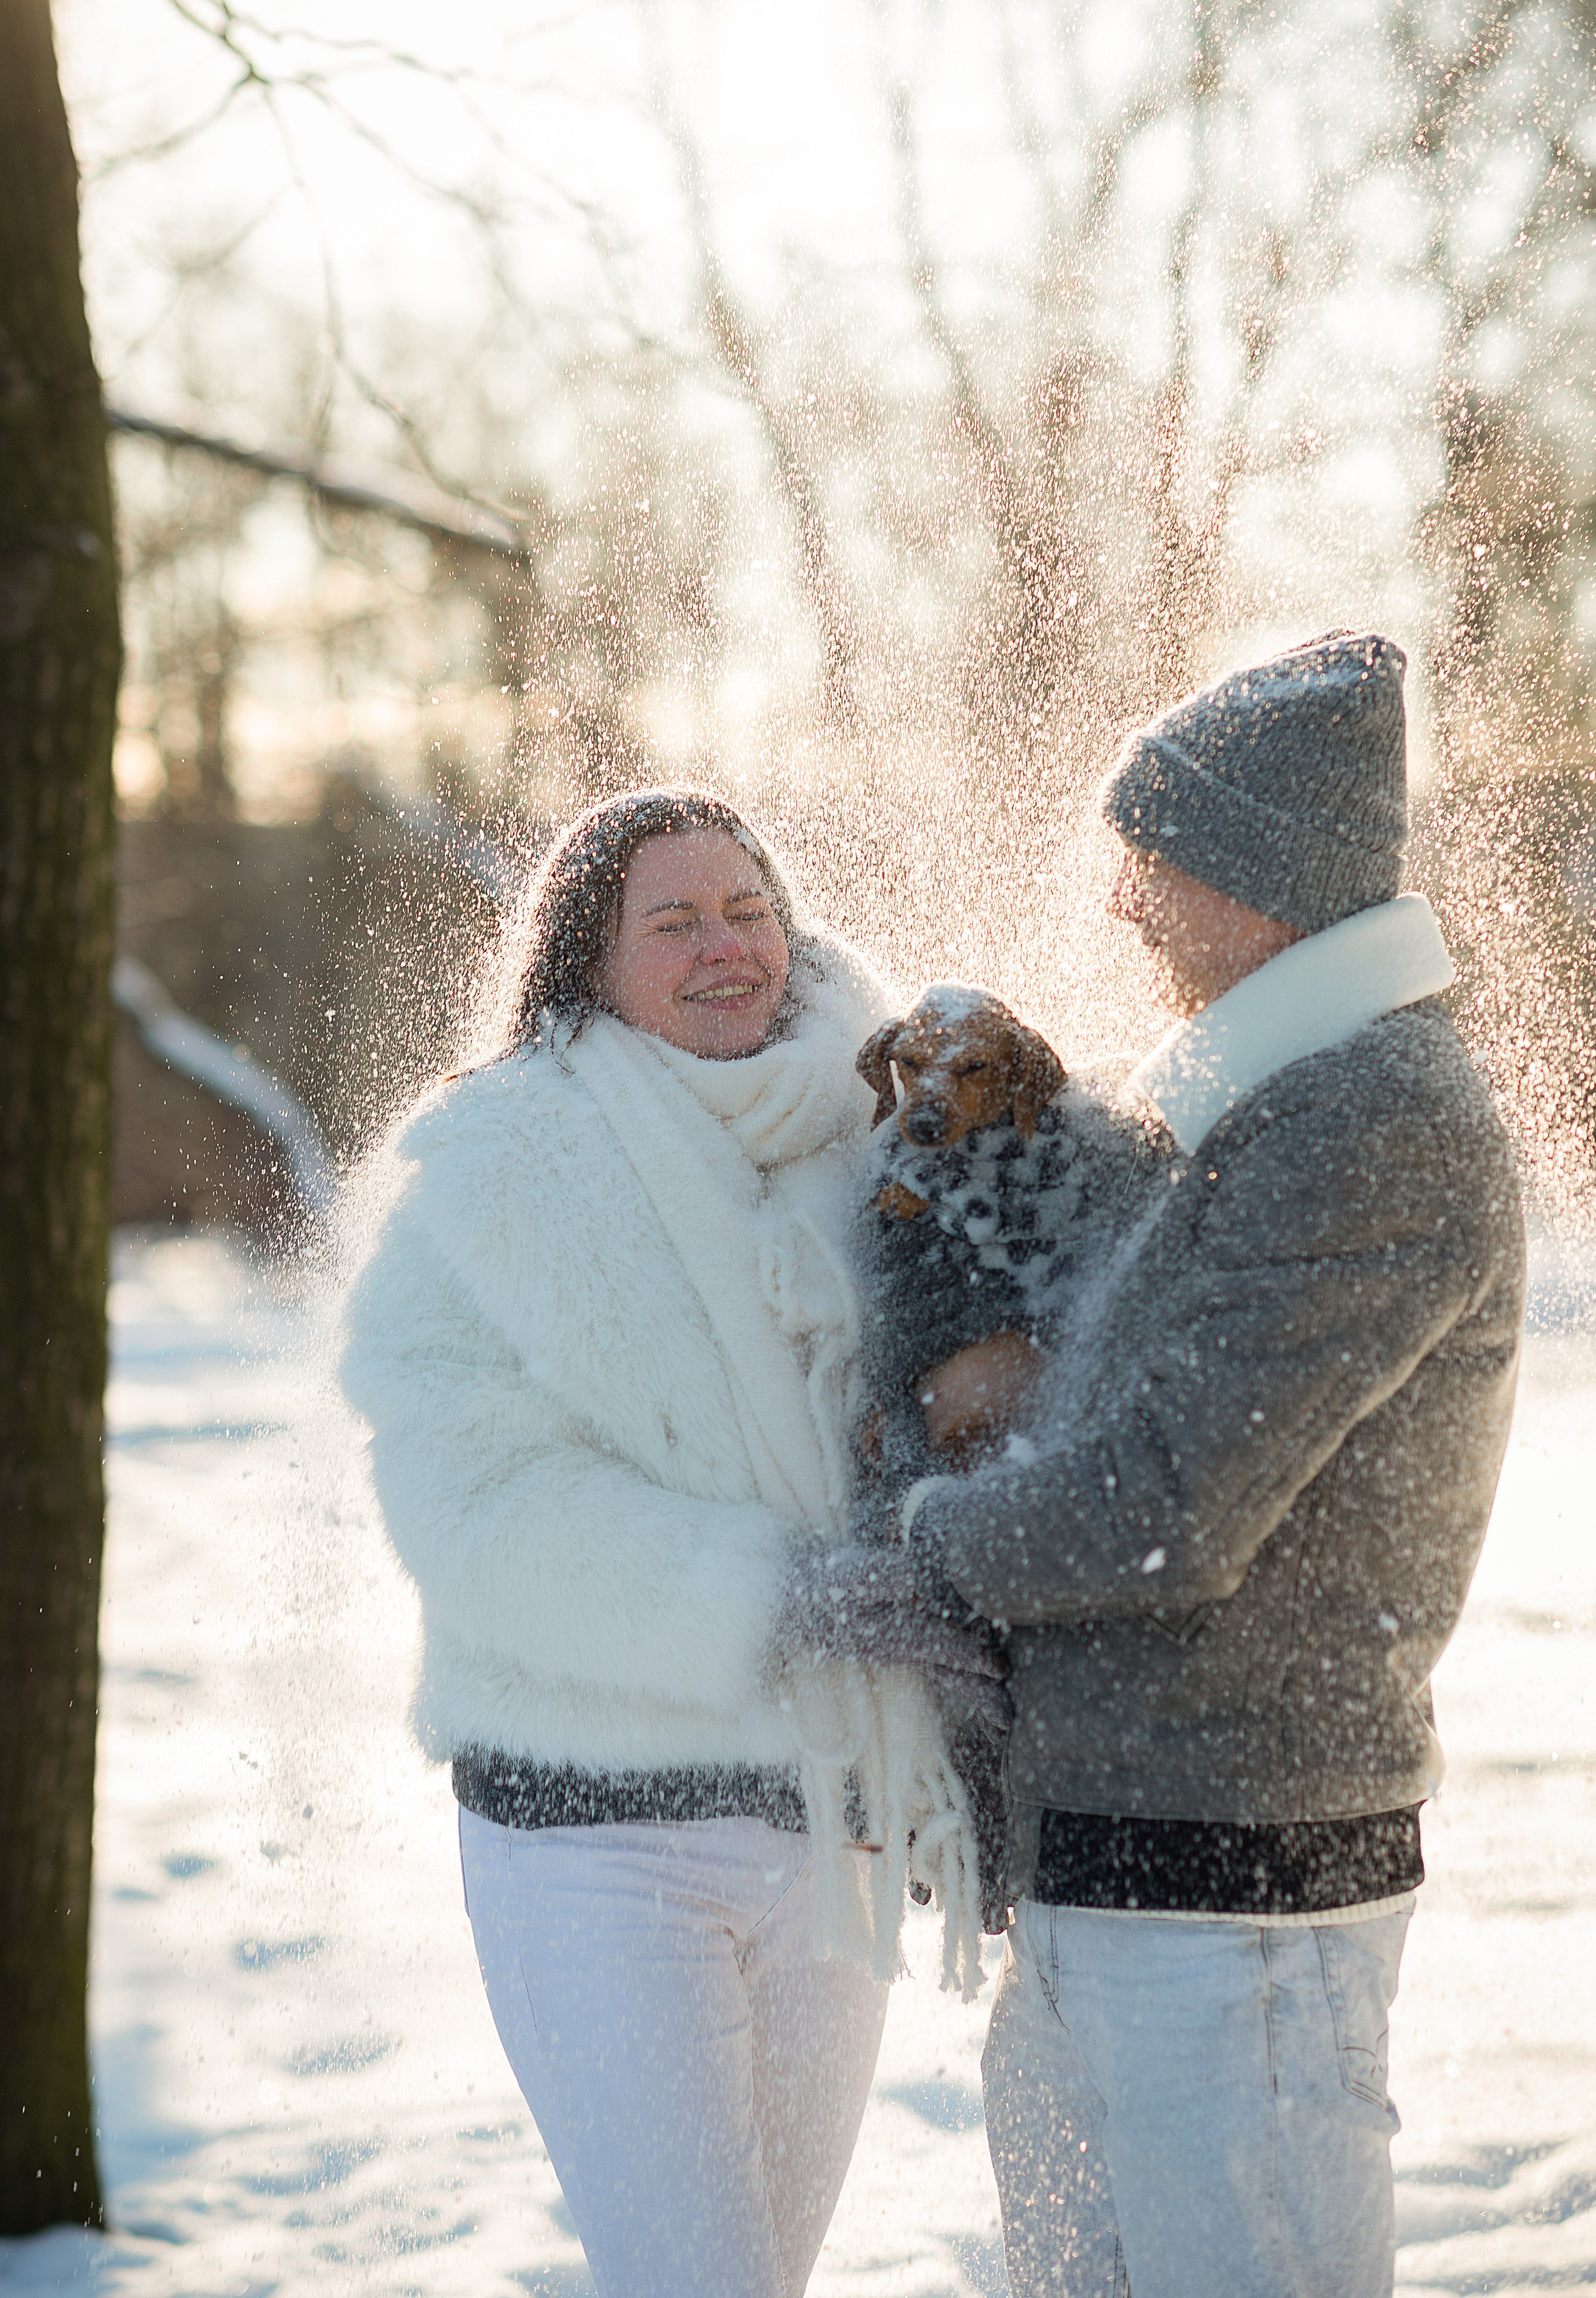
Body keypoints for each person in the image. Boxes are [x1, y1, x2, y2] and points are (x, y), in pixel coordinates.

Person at [900, 633, 1528, 2298]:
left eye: (1154, 857)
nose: (1120, 899)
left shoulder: (1370, 1113)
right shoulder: (1255, 1105)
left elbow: (1167, 1508)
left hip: (1238, 1898)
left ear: (1264, 881)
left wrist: (911, 1551)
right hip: (1118, 1861)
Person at [337, 790, 1001, 2298]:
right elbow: (471, 1501)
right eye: (675, 921)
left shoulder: (884, 1134)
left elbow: (955, 1391)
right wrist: (776, 1593)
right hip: (594, 1836)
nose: (726, 948)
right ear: (587, 957)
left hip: (827, 1825)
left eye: (749, 911)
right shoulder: (495, 1170)